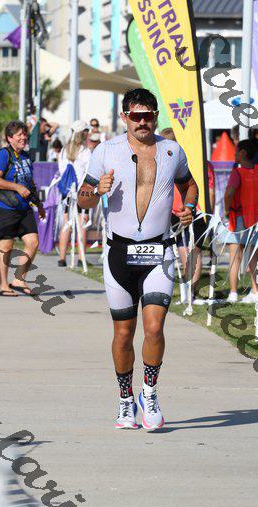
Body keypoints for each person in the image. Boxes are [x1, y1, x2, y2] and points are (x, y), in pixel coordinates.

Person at [78, 88, 198, 430]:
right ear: (125, 117)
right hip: (119, 252)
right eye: (136, 116)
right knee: (123, 332)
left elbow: (190, 185)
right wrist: (96, 191)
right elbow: (82, 199)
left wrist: (189, 208)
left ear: (156, 117)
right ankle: (125, 399)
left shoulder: (172, 150)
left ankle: (150, 392)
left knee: (155, 327)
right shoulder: (106, 151)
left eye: (148, 116)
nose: (142, 122)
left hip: (159, 251)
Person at [0, 120, 45, 297]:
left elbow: (29, 183)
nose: (23, 137)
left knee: (33, 242)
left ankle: (19, 280)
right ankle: (4, 286)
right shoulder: (3, 155)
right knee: (6, 245)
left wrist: (39, 204)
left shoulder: (26, 156)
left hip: (23, 207)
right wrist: (17, 187)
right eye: (19, 135)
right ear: (9, 138)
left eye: (24, 134)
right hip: (4, 207)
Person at [161, 127, 215, 304]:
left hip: (187, 211)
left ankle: (190, 293)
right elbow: (211, 191)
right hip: (185, 211)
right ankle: (189, 293)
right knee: (190, 252)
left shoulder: (172, 161)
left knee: (188, 252)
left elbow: (210, 190)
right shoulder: (202, 163)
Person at [222, 139, 258, 304]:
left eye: (236, 151)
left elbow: (229, 192)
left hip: (239, 216)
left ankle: (233, 292)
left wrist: (226, 209)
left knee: (235, 255)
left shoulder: (237, 172)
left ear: (243, 153)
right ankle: (255, 290)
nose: (234, 154)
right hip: (255, 217)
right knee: (254, 255)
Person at [57, 121, 91, 267]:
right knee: (82, 224)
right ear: (83, 133)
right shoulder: (85, 151)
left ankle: (62, 258)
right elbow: (88, 173)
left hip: (66, 192)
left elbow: (61, 171)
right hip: (81, 191)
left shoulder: (63, 151)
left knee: (66, 224)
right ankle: (81, 258)